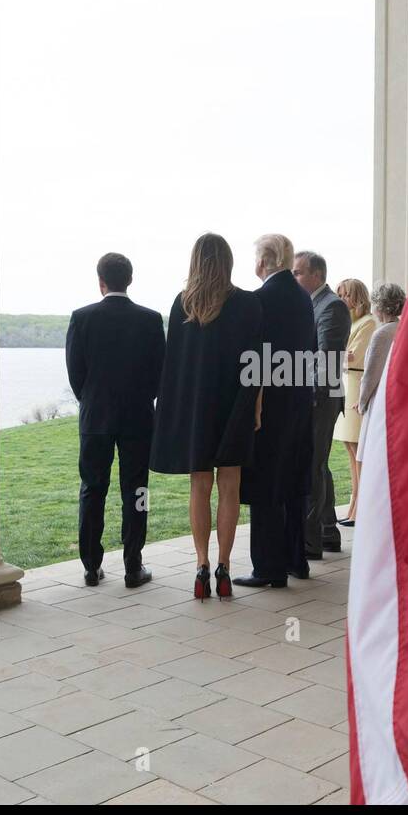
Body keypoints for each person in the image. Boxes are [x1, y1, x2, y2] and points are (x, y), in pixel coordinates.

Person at [151, 232, 263, 600]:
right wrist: (257, 408)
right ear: (229, 261)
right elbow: (255, 365)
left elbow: (173, 367)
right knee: (230, 486)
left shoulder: (181, 304)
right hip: (235, 407)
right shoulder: (248, 304)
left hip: (196, 409)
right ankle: (224, 567)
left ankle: (200, 566)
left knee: (199, 486)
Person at [65, 252, 166, 589]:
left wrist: (92, 400)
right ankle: (133, 567)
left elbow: (76, 374)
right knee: (136, 490)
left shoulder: (82, 318)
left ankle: (91, 566)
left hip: (96, 416)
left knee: (92, 490)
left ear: (101, 282)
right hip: (138, 416)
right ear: (130, 279)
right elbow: (159, 374)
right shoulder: (151, 320)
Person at [235, 235, 317, 588]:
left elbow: (251, 357)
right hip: (300, 402)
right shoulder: (303, 297)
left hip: (269, 406)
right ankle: (295, 559)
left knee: (267, 485)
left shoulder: (260, 300)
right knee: (294, 482)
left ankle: (268, 567)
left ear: (263, 261)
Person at [292, 250, 350, 559]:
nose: (294, 278)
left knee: (312, 466)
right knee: (320, 465)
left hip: (321, 397)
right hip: (318, 395)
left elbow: (327, 359)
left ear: (316, 275)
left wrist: (307, 395)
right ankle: (328, 532)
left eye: (298, 273)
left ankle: (310, 542)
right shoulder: (313, 304)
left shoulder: (332, 306)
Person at [331, 278, 376, 526]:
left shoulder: (368, 322)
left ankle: (361, 510)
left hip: (357, 386)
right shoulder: (353, 322)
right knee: (351, 451)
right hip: (349, 385)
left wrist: (329, 353)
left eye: (344, 294)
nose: (340, 298)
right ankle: (353, 508)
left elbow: (352, 356)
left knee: (360, 453)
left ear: (356, 296)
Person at [355, 282, 405, 464]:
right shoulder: (403, 328)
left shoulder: (381, 334)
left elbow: (371, 374)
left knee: (369, 456)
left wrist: (361, 402)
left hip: (379, 400)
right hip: (397, 397)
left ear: (380, 306)